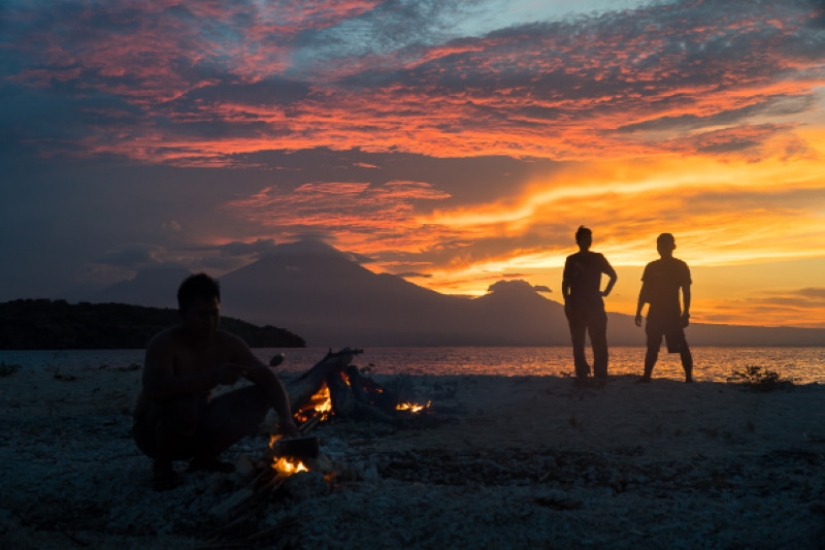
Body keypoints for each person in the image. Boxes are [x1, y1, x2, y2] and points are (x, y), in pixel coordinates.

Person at [132, 273, 299, 491]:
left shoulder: (228, 344)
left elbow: (268, 378)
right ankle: (162, 467)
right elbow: (156, 389)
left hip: (198, 426)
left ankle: (204, 459)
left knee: (259, 396)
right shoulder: (164, 344)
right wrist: (212, 378)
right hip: (152, 433)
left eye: (214, 314)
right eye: (202, 315)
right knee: (185, 402)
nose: (210, 321)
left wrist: (286, 417)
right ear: (183, 315)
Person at [634, 233, 693, 383]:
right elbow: (644, 291)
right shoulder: (651, 267)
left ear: (673, 247)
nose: (662, 248)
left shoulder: (680, 266)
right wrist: (638, 311)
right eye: (660, 245)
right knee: (652, 346)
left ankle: (688, 378)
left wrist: (686, 313)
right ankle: (646, 376)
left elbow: (686, 291)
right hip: (655, 312)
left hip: (672, 313)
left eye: (666, 244)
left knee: (681, 345)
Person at [562, 226, 617, 383]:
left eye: (589, 238)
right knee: (578, 341)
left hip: (594, 304)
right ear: (578, 241)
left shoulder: (598, 258)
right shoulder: (571, 260)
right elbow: (565, 283)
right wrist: (567, 302)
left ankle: (600, 372)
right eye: (584, 238)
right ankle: (581, 372)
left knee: (599, 340)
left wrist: (605, 292)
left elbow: (613, 275)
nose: (588, 240)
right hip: (576, 305)